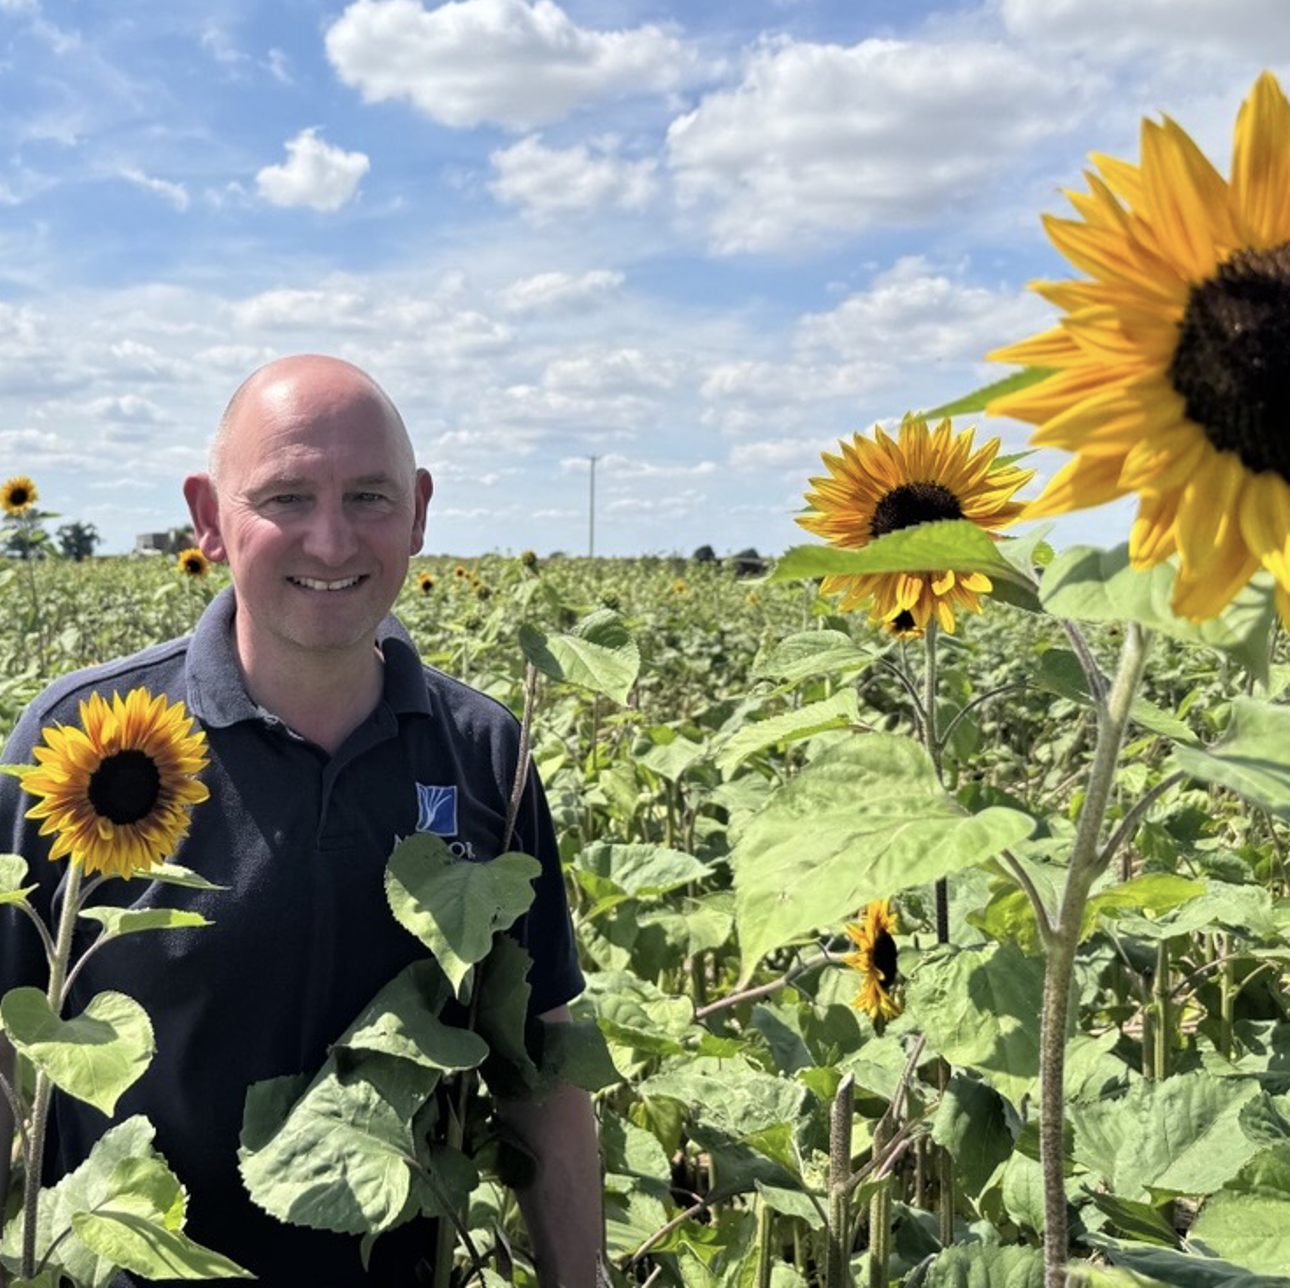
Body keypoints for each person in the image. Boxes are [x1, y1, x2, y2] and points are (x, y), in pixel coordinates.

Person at [0, 355, 602, 1287]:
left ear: (420, 510)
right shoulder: (82, 740)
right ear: (207, 514)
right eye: (284, 497)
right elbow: (10, 1047)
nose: (330, 542)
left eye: (369, 496)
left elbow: (541, 1059)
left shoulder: (483, 752)